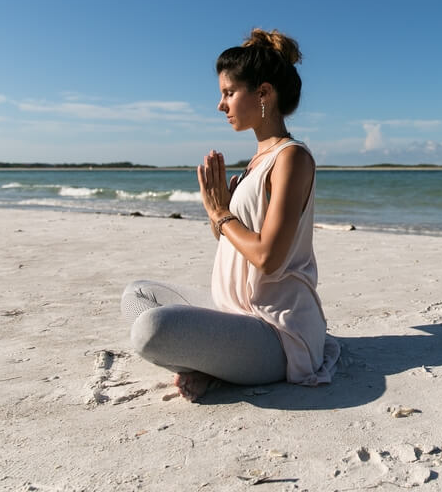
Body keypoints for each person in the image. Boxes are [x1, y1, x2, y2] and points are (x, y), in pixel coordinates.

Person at [121, 28, 340, 401]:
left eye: (228, 93)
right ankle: (212, 364)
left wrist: (222, 213)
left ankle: (214, 366)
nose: (220, 105)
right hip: (234, 310)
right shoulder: (257, 161)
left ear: (264, 93)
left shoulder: (291, 158)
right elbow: (232, 241)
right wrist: (217, 213)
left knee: (150, 331)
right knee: (137, 293)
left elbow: (268, 258)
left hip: (273, 330)